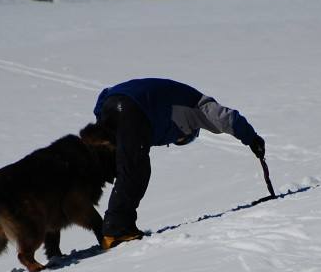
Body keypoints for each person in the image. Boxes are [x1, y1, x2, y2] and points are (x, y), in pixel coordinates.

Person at [92, 77, 266, 250]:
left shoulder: (163, 115)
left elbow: (109, 94)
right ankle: (117, 231)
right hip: (131, 108)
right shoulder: (198, 106)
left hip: (111, 104)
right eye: (183, 139)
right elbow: (227, 118)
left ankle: (82, 213)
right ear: (190, 130)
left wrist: (102, 117)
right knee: (135, 170)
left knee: (111, 165)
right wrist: (252, 138)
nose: (179, 139)